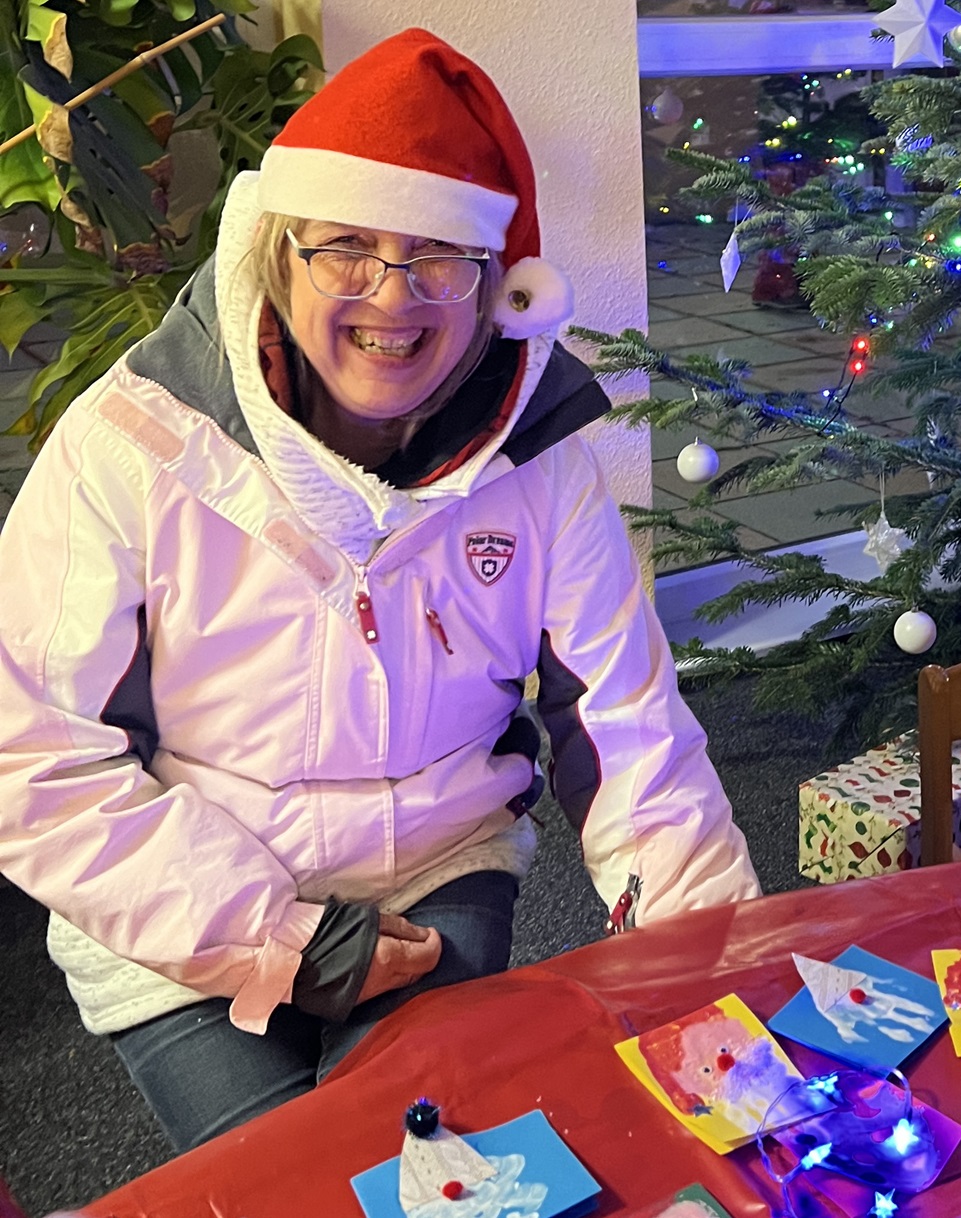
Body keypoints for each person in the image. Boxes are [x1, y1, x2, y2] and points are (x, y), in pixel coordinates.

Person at [0, 28, 760, 1153]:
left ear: (498, 288)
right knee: (300, 1177)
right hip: (181, 903)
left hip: (432, 870)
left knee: (423, 1162)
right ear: (279, 249)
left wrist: (716, 972)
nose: (389, 299)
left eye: (438, 258)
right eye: (346, 246)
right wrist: (278, 937)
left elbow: (628, 728)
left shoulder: (542, 467)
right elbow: (31, 758)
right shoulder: (129, 447)